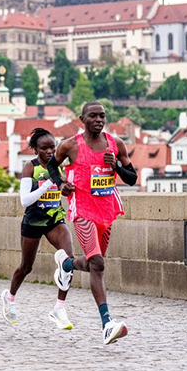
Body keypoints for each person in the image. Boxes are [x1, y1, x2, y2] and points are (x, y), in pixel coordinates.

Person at [48, 101, 137, 345]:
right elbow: (51, 165)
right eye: (93, 116)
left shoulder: (115, 144)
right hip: (83, 209)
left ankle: (66, 264)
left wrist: (116, 165)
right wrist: (60, 184)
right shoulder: (70, 145)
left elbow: (132, 178)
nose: (98, 120)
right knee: (98, 263)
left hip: (107, 210)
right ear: (82, 119)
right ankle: (107, 324)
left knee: (93, 263)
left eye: (102, 116)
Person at [2, 129, 76, 330]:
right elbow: (25, 200)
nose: (50, 151)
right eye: (44, 148)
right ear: (35, 149)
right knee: (26, 267)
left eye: (53, 147)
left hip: (55, 219)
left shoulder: (59, 167)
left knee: (68, 260)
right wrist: (47, 185)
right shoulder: (30, 167)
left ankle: (59, 308)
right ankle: (10, 297)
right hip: (33, 221)